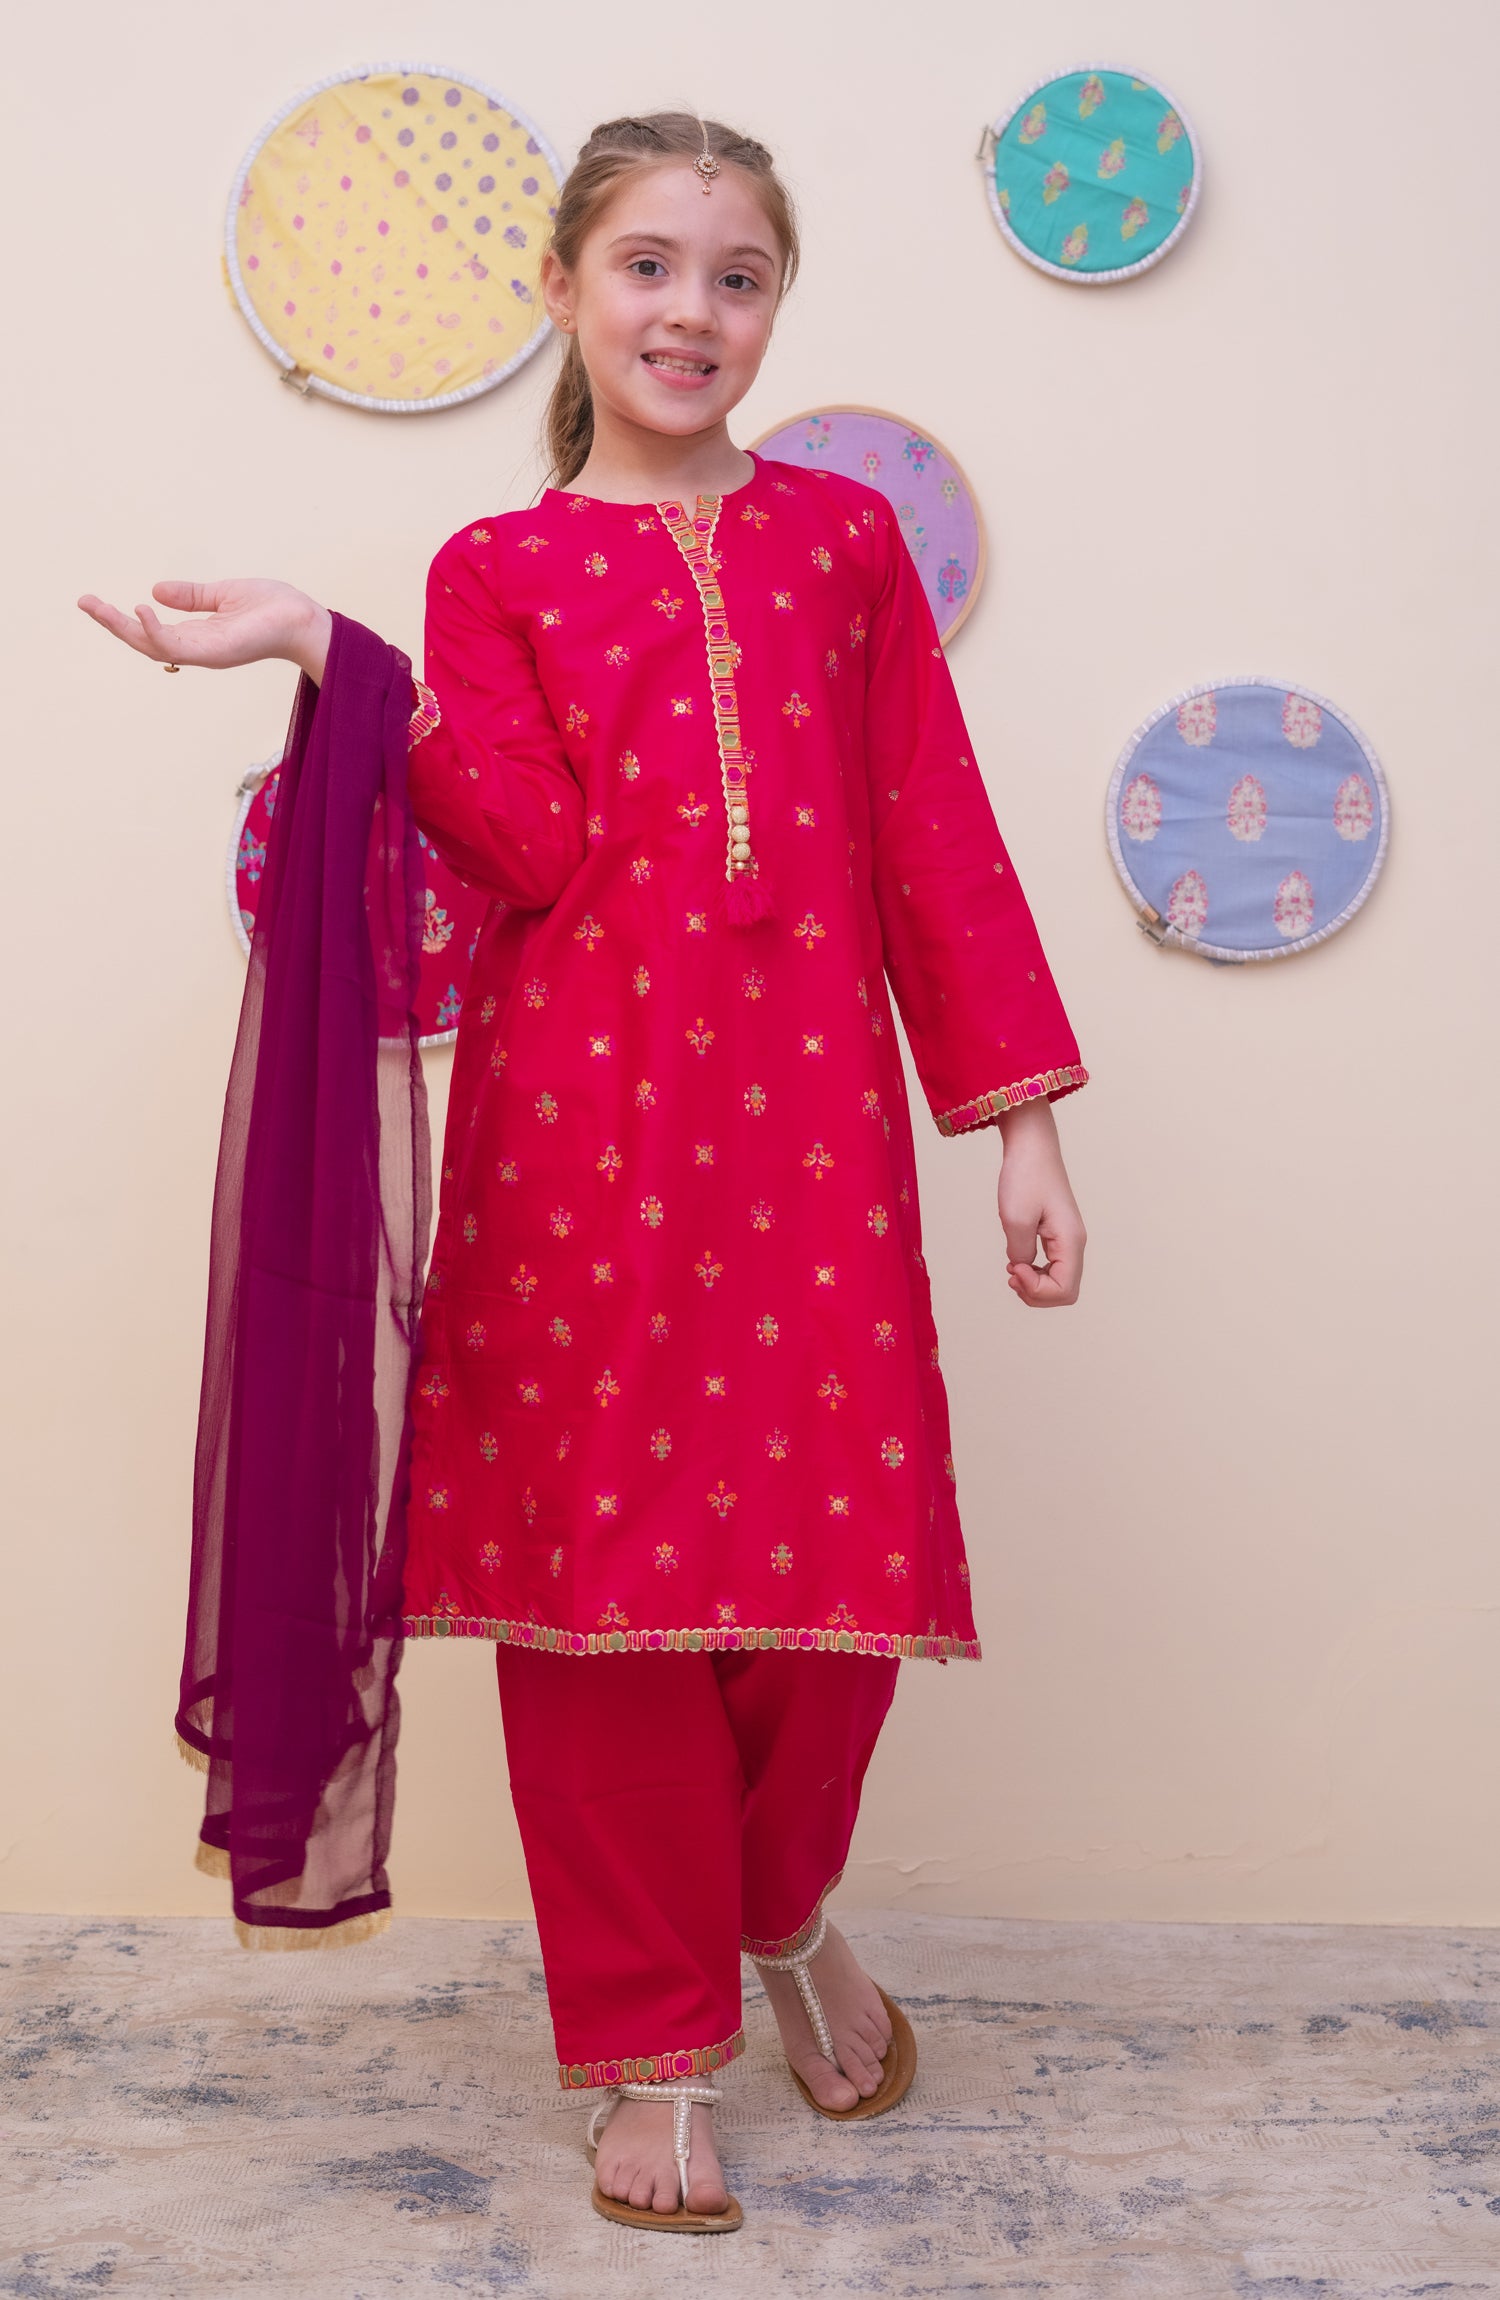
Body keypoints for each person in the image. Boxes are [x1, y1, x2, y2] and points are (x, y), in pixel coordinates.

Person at [79, 112, 1087, 2235]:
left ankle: (782, 1907)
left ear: (776, 306)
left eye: (737, 276)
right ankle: (652, 2048)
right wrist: (325, 649)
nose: (689, 313)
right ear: (562, 290)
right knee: (600, 1608)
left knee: (832, 1589)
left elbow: (933, 828)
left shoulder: (843, 548)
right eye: (646, 266)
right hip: (581, 1148)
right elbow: (527, 843)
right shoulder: (499, 570)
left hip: (813, 1145)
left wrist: (1020, 1123)